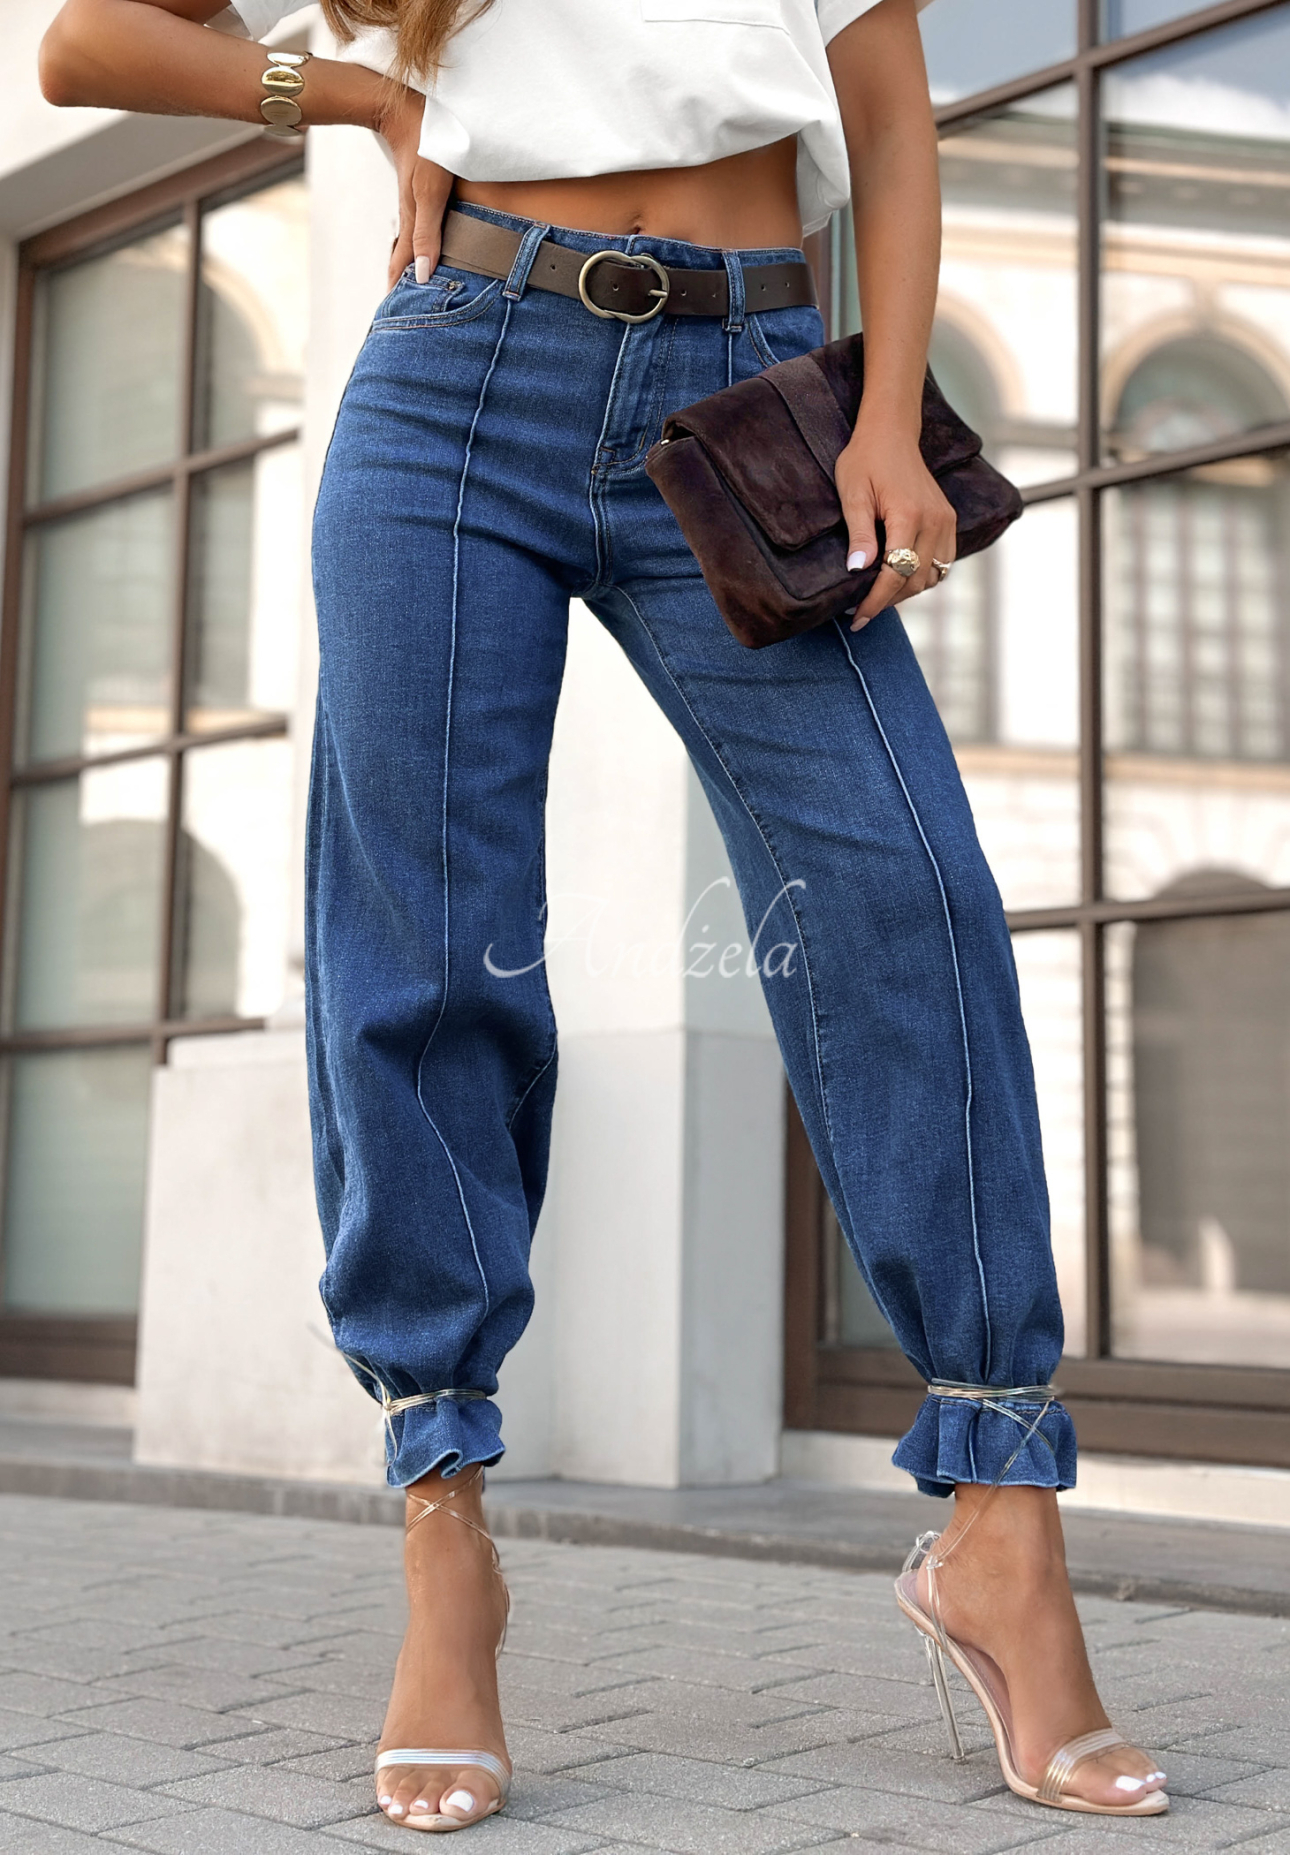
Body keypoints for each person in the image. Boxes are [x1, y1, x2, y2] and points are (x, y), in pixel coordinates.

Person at [40, 0, 1169, 1833]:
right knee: (423, 945)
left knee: (911, 906)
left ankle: (1001, 1533)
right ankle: (445, 1532)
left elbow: (885, 112)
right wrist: (354, 94)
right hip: (453, 383)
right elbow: (85, 49)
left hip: (750, 382)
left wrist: (888, 416)